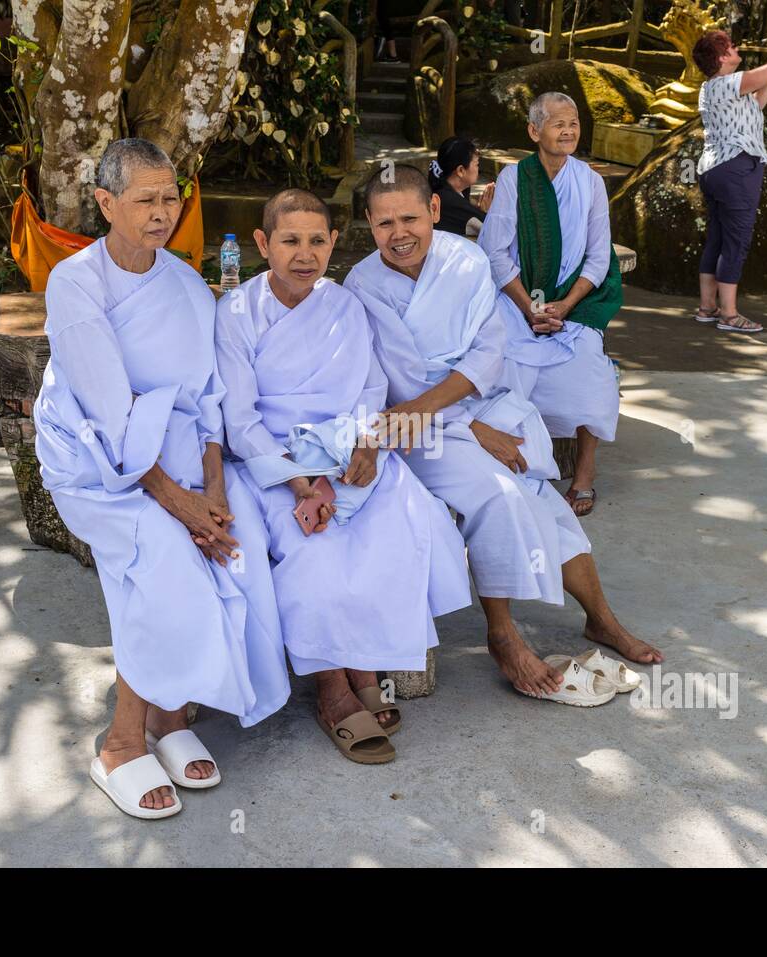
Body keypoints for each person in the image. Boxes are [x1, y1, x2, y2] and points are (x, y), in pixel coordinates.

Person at [34, 139, 291, 819]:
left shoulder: (182, 281)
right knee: (166, 557)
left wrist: (212, 490)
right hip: (94, 463)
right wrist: (179, 505)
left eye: (170, 197)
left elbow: (208, 401)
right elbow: (109, 415)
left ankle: (171, 717)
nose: (162, 212)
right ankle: (120, 740)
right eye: (145, 198)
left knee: (244, 540)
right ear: (106, 203)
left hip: (177, 455)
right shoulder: (75, 282)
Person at [344, 165, 662, 703]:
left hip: (484, 404)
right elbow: (391, 378)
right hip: (420, 429)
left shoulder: (466, 262)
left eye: (410, 218)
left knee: (543, 498)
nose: (399, 234)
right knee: (503, 496)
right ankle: (502, 633)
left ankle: (600, 619)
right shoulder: (361, 284)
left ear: (436, 212)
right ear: (369, 227)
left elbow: (489, 352)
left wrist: (480, 420)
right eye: (384, 224)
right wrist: (467, 425)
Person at [214, 188, 471, 763]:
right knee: (316, 550)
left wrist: (366, 444)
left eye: (316, 241)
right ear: (262, 244)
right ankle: (332, 686)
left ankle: (365, 661)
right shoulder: (235, 312)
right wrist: (299, 482)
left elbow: (370, 387)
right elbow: (240, 419)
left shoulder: (345, 306)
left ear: (334, 244)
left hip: (348, 451)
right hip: (273, 464)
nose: (304, 254)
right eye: (289, 241)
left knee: (397, 529)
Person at [478, 91, 623, 517]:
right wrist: (530, 307)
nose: (568, 130)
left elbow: (599, 257)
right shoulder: (513, 179)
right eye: (558, 123)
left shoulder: (591, 182)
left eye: (574, 123)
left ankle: (584, 472)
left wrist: (564, 304)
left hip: (573, 303)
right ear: (534, 131)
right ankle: (516, 463)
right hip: (519, 298)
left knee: (591, 370)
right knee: (500, 363)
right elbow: (496, 253)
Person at [690, 28, 767, 333]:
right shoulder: (726, 84)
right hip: (736, 169)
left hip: (715, 170)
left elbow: (759, 101)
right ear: (722, 57)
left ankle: (708, 307)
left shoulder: (717, 88)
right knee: (736, 242)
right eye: (731, 47)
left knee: (718, 239)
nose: (737, 49)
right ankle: (730, 315)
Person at [428, 136, 494, 238]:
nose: (478, 169)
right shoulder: (450, 202)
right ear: (461, 171)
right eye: (477, 164)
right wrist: (487, 212)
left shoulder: (448, 191)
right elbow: (494, 232)